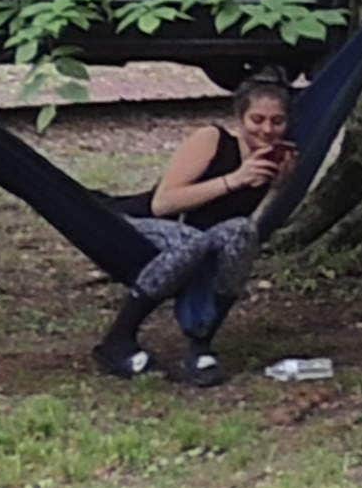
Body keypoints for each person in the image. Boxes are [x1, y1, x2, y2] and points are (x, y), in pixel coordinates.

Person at [99, 74, 293, 387]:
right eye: (257, 119)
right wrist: (236, 179)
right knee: (195, 241)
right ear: (240, 119)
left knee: (242, 232)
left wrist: (280, 184)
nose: (267, 130)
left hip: (199, 241)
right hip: (135, 225)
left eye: (277, 121)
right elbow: (163, 203)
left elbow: (244, 226)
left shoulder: (271, 160)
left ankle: (201, 341)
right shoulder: (213, 140)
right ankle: (117, 339)